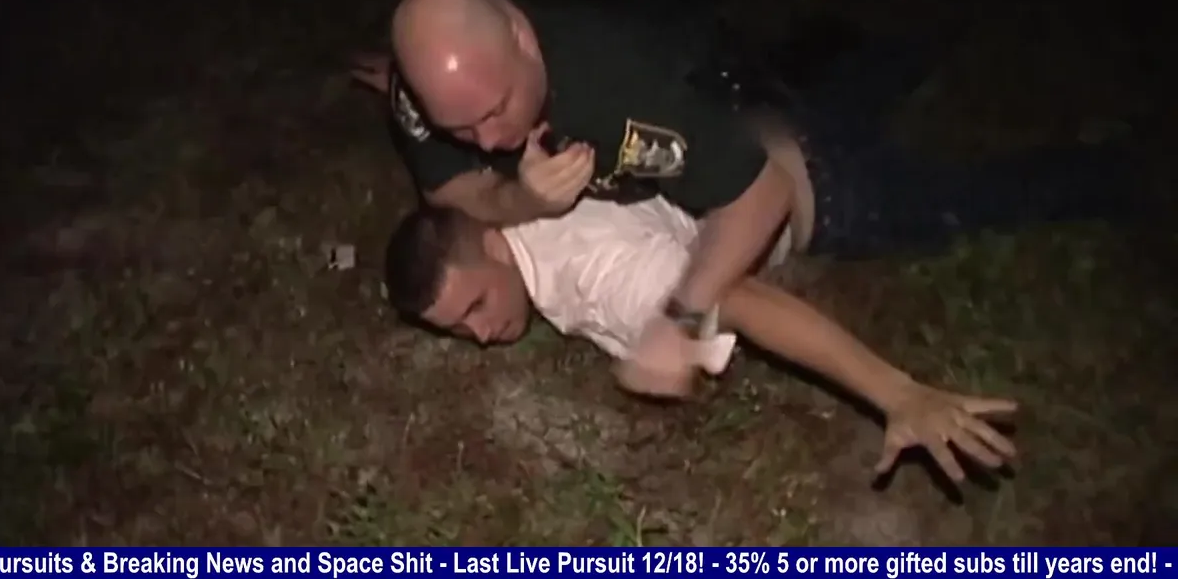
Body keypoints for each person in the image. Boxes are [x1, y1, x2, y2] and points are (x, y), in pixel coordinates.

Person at [363, 0, 1144, 398]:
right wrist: (522, 200)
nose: (488, 142)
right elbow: (454, 199)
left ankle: (1133, 164)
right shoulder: (428, 99)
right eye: (460, 125)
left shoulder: (619, 89)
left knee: (980, 199)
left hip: (808, 183)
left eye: (496, 111)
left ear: (523, 38)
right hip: (766, 114)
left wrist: (680, 316)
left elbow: (758, 197)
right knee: (892, 54)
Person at [382, 194, 1019, 484]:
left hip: (818, 193)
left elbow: (740, 301)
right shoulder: (503, 200)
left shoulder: (600, 278)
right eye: (457, 328)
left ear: (494, 246)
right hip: (750, 129)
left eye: (476, 306)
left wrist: (897, 393)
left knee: (1002, 192)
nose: (480, 334)